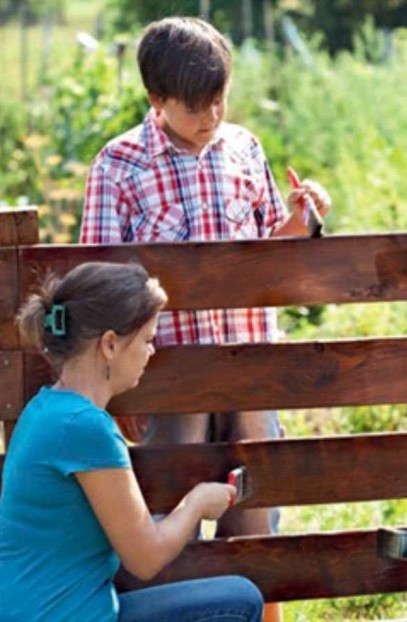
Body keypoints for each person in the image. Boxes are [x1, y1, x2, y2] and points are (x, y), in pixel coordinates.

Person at [81, 17, 331, 621]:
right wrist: (115, 385)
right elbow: (102, 286)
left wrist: (303, 221)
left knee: (258, 513)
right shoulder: (119, 167)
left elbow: (270, 245)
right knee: (172, 515)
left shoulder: (244, 148)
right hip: (171, 378)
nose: (212, 115)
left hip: (250, 362)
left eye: (220, 100)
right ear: (155, 100)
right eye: (196, 106)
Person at [0, 262, 263, 622]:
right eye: (146, 339)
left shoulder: (46, 408)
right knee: (241, 602)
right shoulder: (85, 428)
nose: (152, 351)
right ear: (110, 345)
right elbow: (145, 557)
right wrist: (197, 503)